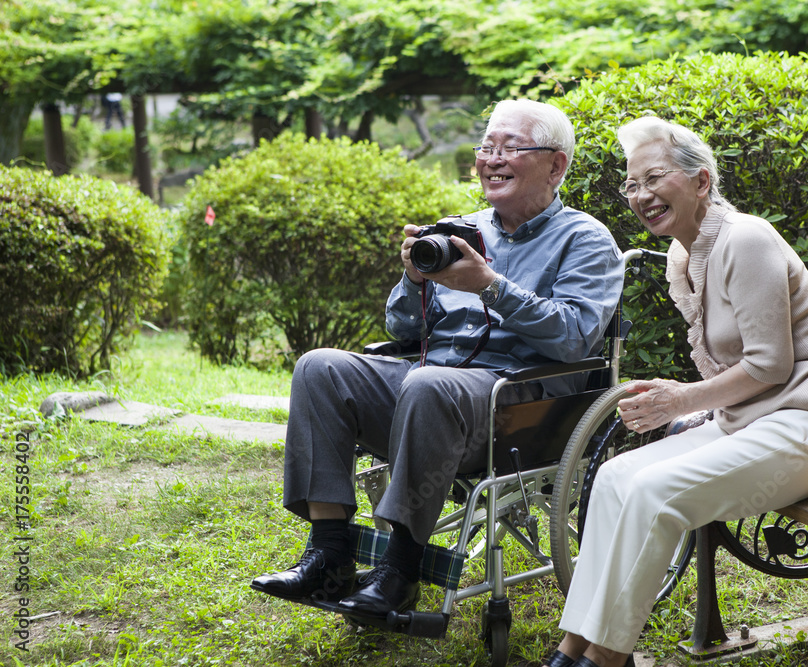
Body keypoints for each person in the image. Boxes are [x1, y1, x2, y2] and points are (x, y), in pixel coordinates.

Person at [250, 99, 625, 624]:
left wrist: (490, 287)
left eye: (510, 148)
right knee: (320, 367)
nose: (492, 159)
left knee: (430, 385)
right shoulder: (458, 231)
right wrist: (414, 279)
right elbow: (402, 331)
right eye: (486, 147)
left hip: (517, 406)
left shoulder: (585, 240)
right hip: (431, 390)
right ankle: (328, 556)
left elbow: (572, 338)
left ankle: (399, 573)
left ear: (556, 165)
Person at [543, 117, 808, 667]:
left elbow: (770, 365)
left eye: (654, 178)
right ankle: (573, 646)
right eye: (631, 185)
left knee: (653, 492)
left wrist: (681, 402)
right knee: (615, 476)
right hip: (754, 417)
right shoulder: (682, 254)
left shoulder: (746, 238)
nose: (641, 196)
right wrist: (694, 405)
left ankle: (604, 658)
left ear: (701, 182)